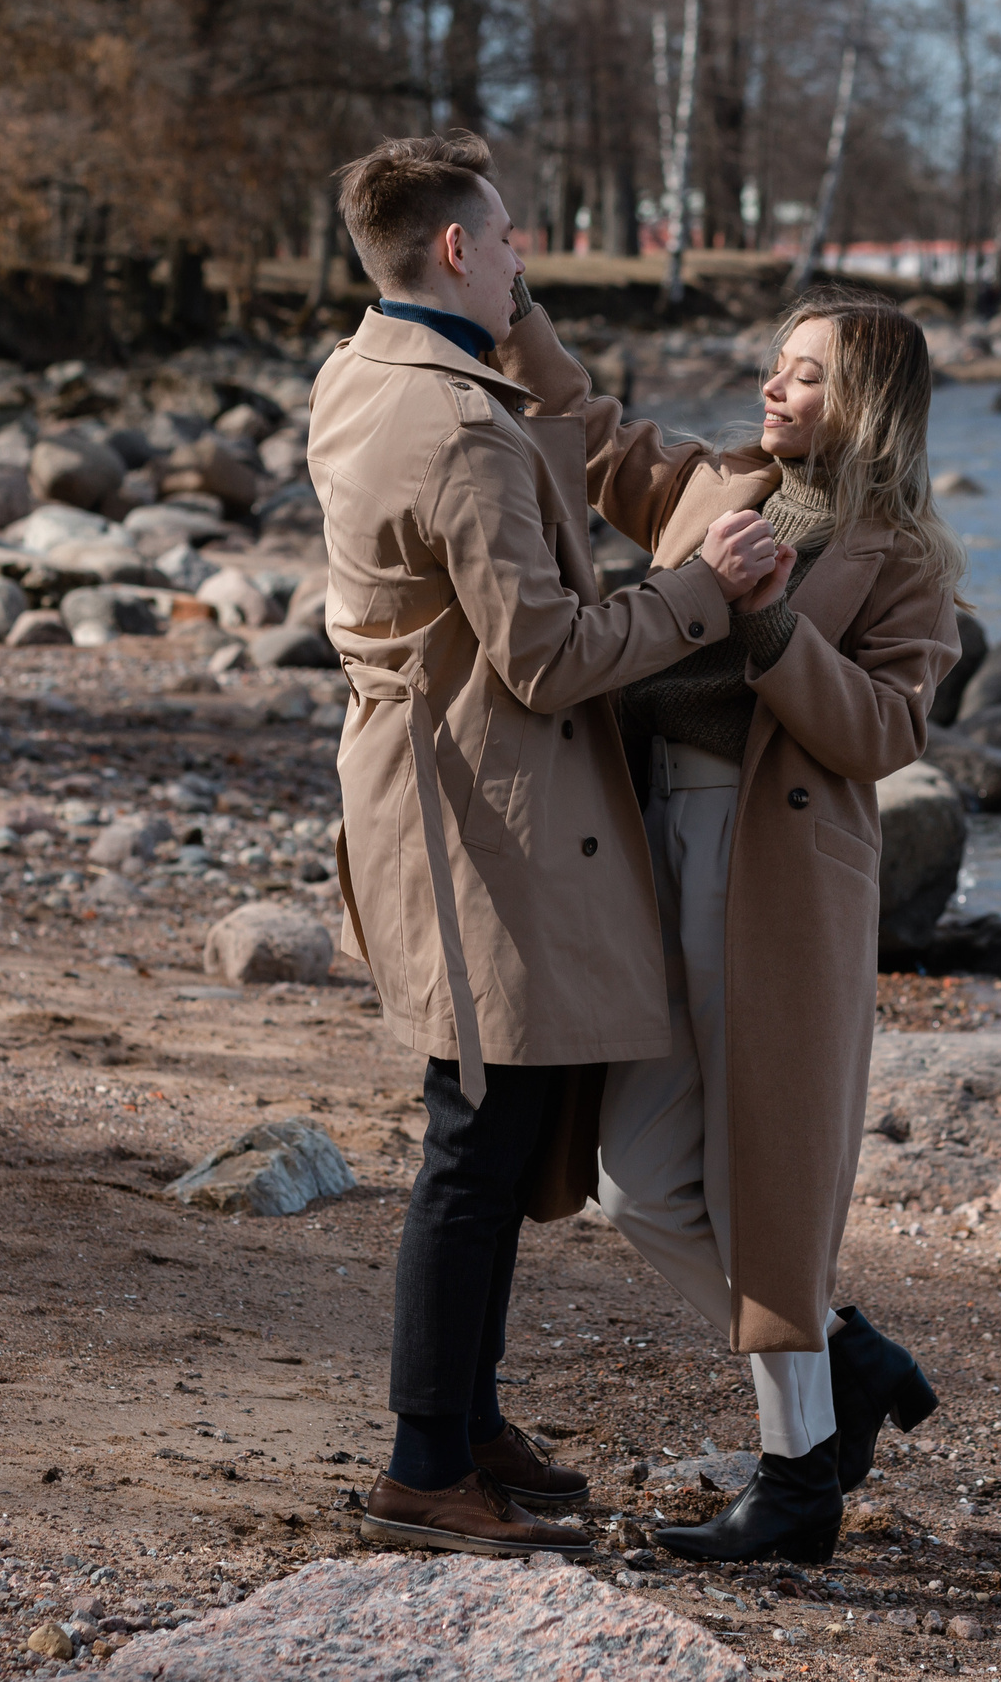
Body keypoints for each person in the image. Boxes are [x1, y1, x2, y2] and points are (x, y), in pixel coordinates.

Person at [308, 132, 786, 1559]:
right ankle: (421, 1462)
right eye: (510, 237)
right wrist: (701, 592)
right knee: (474, 1144)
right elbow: (545, 656)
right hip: (481, 815)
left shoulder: (362, 371)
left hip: (429, 792)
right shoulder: (458, 425)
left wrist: (528, 347)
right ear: (457, 249)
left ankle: (466, 1421)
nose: (526, 259)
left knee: (495, 1129)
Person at [494, 289, 961, 1564]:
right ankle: (845, 1356)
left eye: (806, 375)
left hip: (776, 882)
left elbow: (885, 731)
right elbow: (585, 426)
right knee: (639, 1182)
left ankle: (797, 1478)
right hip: (644, 851)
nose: (774, 388)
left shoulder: (904, 558)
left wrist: (765, 620)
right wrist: (511, 309)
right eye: (775, 366)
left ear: (865, 402)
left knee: (764, 1184)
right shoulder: (712, 486)